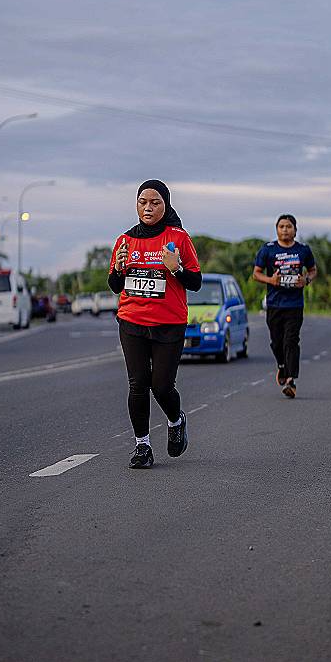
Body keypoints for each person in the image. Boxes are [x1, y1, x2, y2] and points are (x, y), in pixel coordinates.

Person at [108, 179, 202, 468]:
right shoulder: (125, 240)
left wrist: (177, 268)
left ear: (166, 205)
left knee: (161, 387)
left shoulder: (178, 238)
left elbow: (196, 282)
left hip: (169, 324)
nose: (147, 208)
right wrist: (119, 269)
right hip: (132, 321)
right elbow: (114, 286)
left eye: (155, 202)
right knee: (137, 384)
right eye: (142, 202)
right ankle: (142, 447)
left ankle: (175, 420)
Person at [253, 214, 317, 398]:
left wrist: (306, 280)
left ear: (295, 230)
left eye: (289, 226)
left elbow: (313, 270)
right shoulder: (268, 249)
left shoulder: (303, 250)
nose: (285, 230)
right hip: (274, 303)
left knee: (291, 340)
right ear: (277, 229)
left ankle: (291, 380)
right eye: (281, 226)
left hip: (294, 304)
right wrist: (271, 280)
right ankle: (281, 365)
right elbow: (256, 274)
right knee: (276, 342)